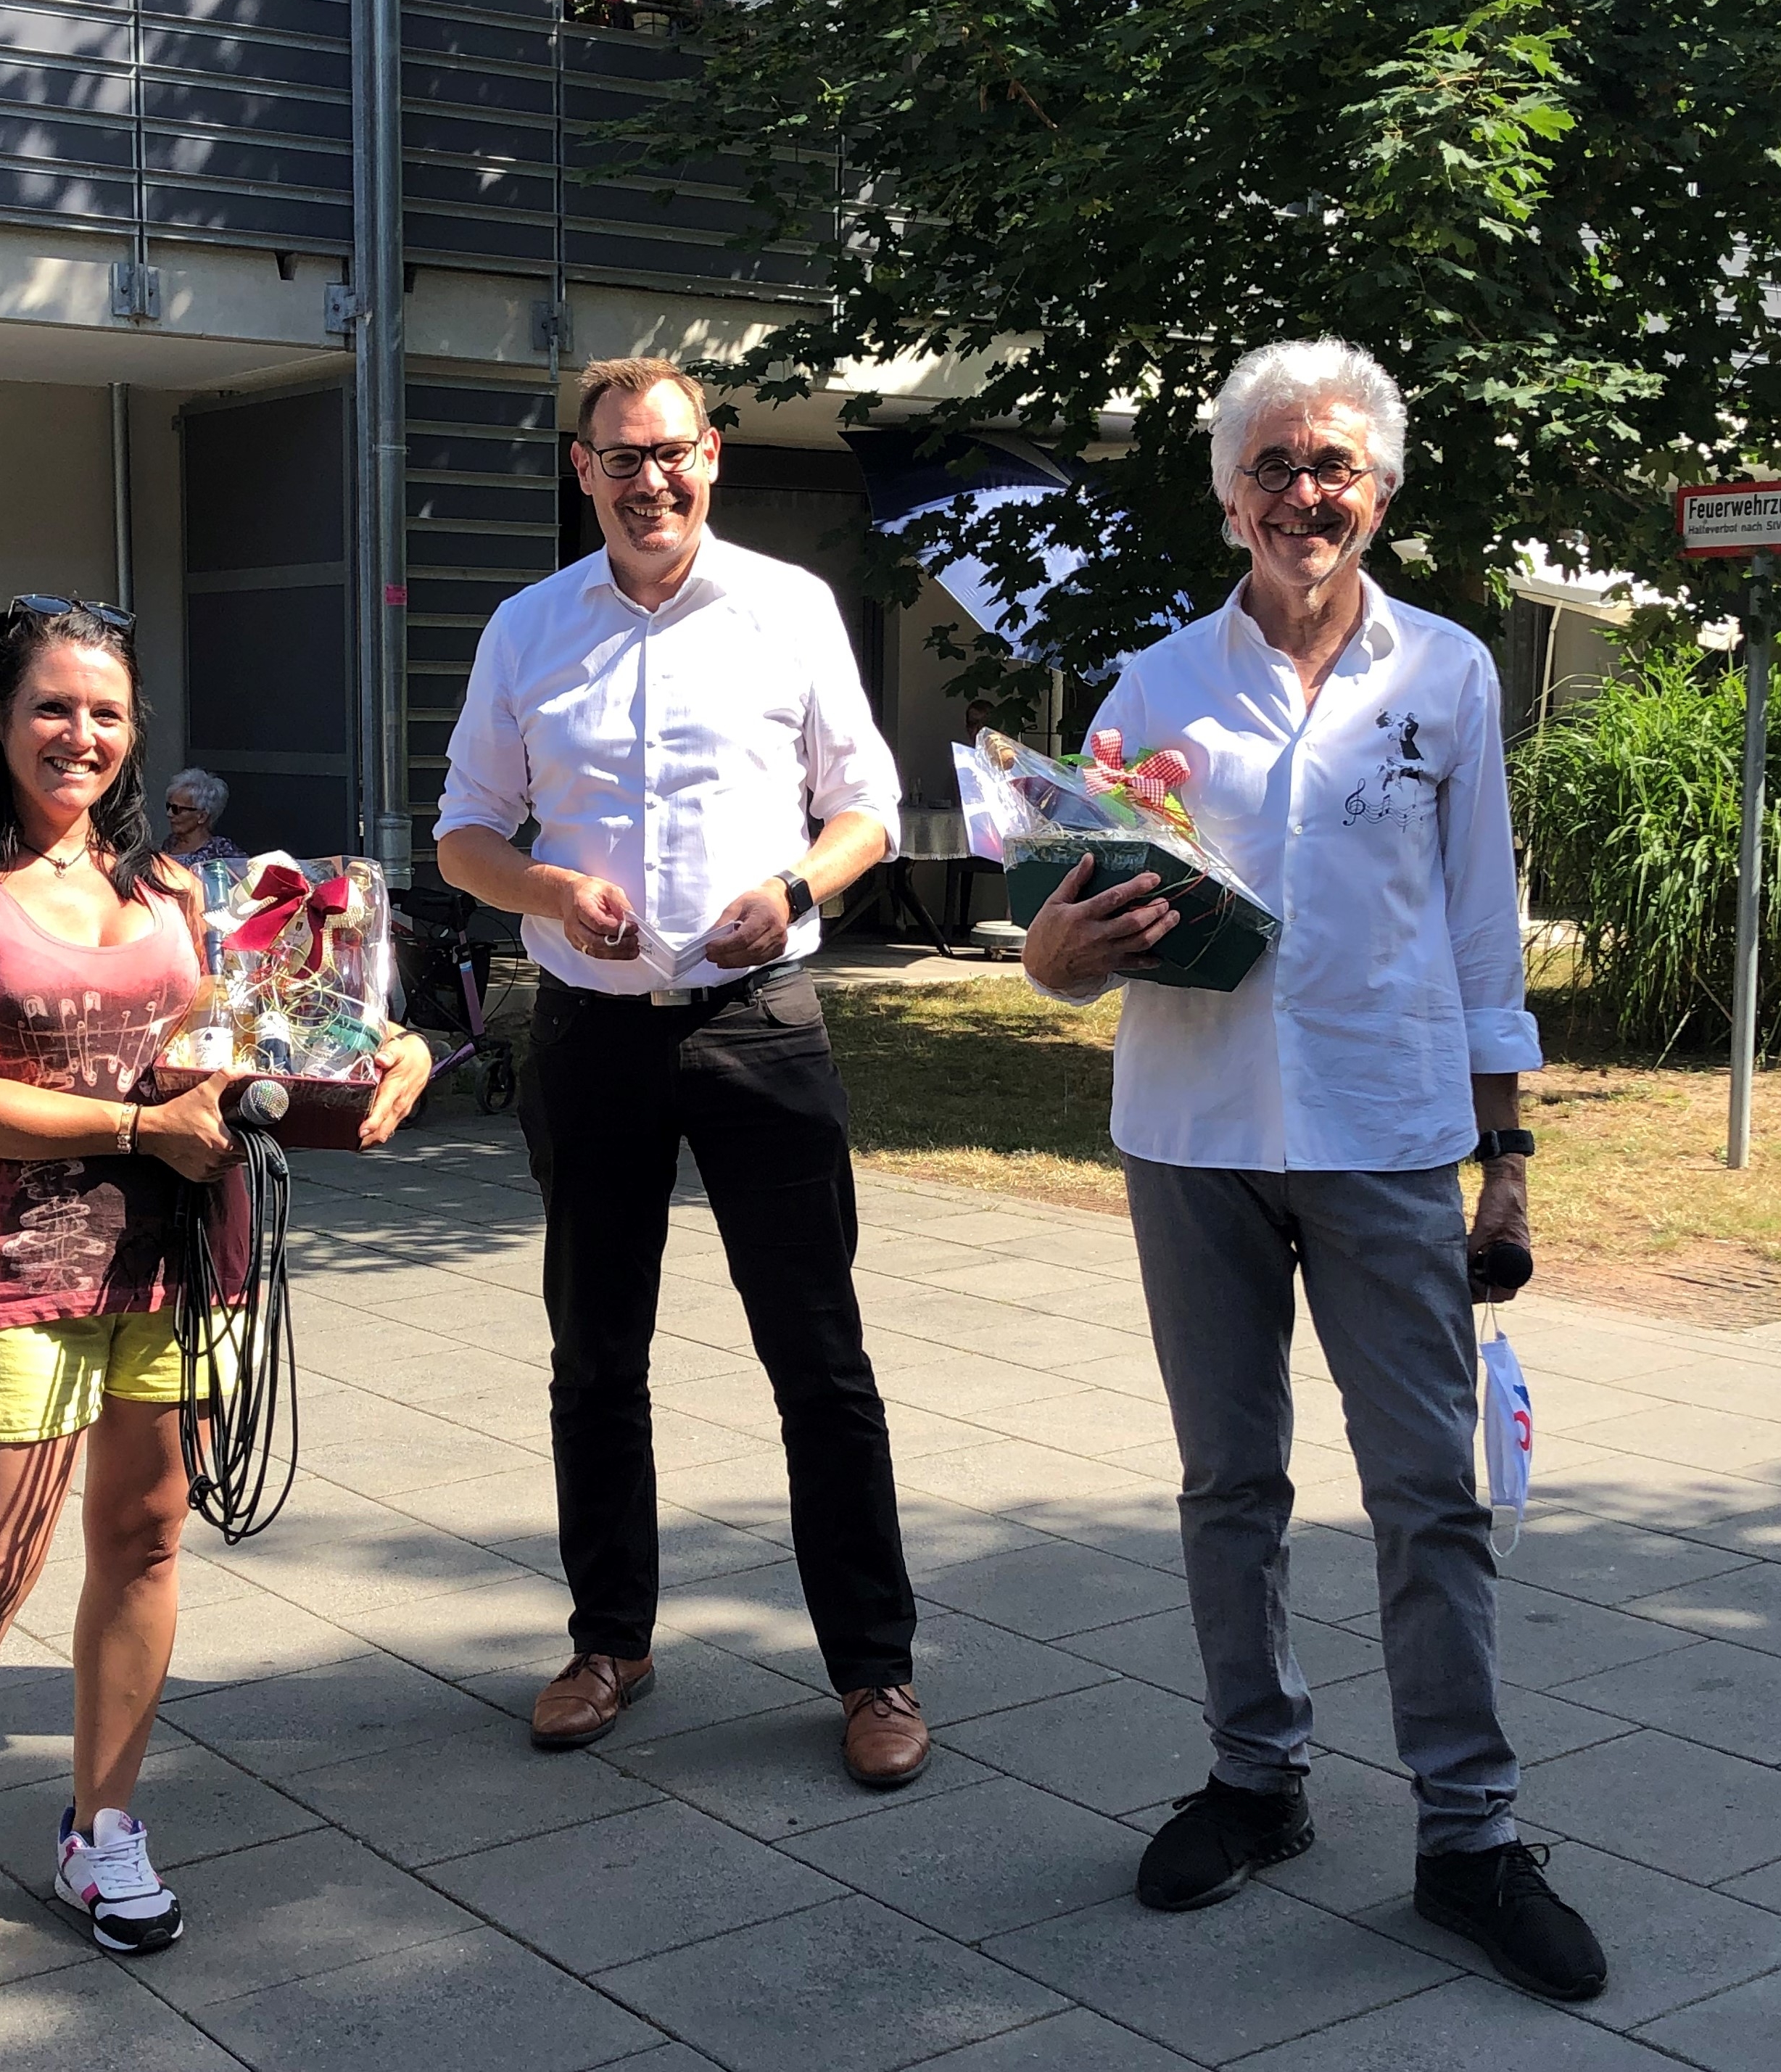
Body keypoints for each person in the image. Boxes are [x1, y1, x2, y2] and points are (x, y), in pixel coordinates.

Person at [1022, 339, 1606, 2002]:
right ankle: (1254, 1778)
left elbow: (1486, 936)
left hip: (1389, 1135)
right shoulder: (1151, 688)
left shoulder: (1450, 679)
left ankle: (1471, 1839)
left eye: (1332, 465)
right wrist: (1057, 951)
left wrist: (1506, 1161)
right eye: (1272, 464)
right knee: (1228, 1485)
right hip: (1192, 1139)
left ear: (1381, 487)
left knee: (1430, 1493)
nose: (1304, 492)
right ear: (1224, 492)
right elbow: (1065, 931)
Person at [0, 595, 429, 2004]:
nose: (81, 734)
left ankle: (101, 1824)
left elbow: (254, 1055)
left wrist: (372, 1070)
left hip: (178, 1259)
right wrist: (130, 1133)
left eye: (106, 711)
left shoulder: (169, 891)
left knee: (142, 1539)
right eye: (52, 705)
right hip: (14, 1271)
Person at [436, 356, 929, 1787]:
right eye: (617, 458)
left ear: (709, 455)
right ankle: (609, 1641)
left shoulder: (786, 606)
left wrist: (794, 884)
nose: (647, 479)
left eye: (670, 452)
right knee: (594, 1355)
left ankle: (874, 1670)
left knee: (817, 1361)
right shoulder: (529, 629)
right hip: (589, 1029)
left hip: (755, 1018)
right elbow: (462, 830)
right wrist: (537, 888)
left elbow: (863, 809)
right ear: (580, 471)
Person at [162, 767, 244, 871]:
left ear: (202, 817)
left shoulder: (220, 850)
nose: (169, 814)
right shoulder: (170, 843)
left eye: (177, 809)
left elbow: (250, 878)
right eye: (169, 807)